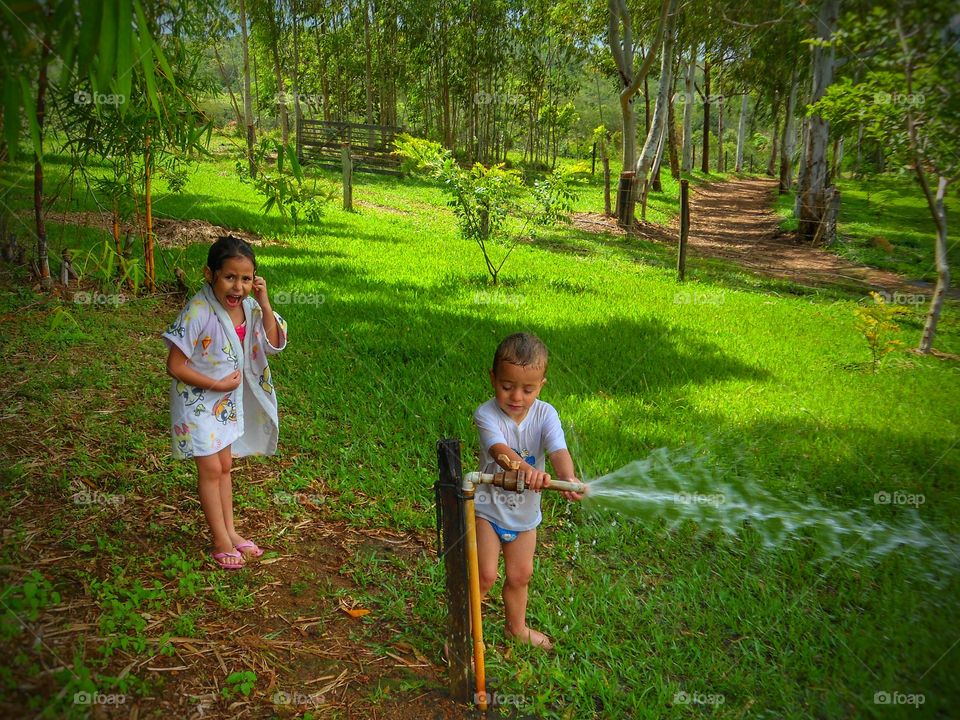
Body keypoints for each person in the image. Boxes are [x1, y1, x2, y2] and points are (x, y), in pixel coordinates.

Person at [163, 236, 288, 570]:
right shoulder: (198, 311)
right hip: (197, 403)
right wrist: (216, 383)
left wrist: (263, 303)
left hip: (225, 403)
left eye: (246, 279)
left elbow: (274, 342)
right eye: (230, 277)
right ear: (210, 274)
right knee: (210, 469)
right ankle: (219, 540)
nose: (238, 286)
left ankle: (231, 532)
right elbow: (175, 366)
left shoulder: (248, 307)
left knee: (226, 467)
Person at [473, 332, 582, 650]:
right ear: (493, 378)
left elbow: (557, 448)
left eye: (528, 389)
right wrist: (527, 471)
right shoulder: (486, 415)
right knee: (485, 576)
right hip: (487, 511)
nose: (517, 396)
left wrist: (568, 476)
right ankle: (464, 631)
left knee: (521, 576)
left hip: (525, 517)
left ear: (542, 385)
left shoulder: (546, 414)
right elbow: (499, 452)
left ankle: (516, 629)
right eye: (507, 386)